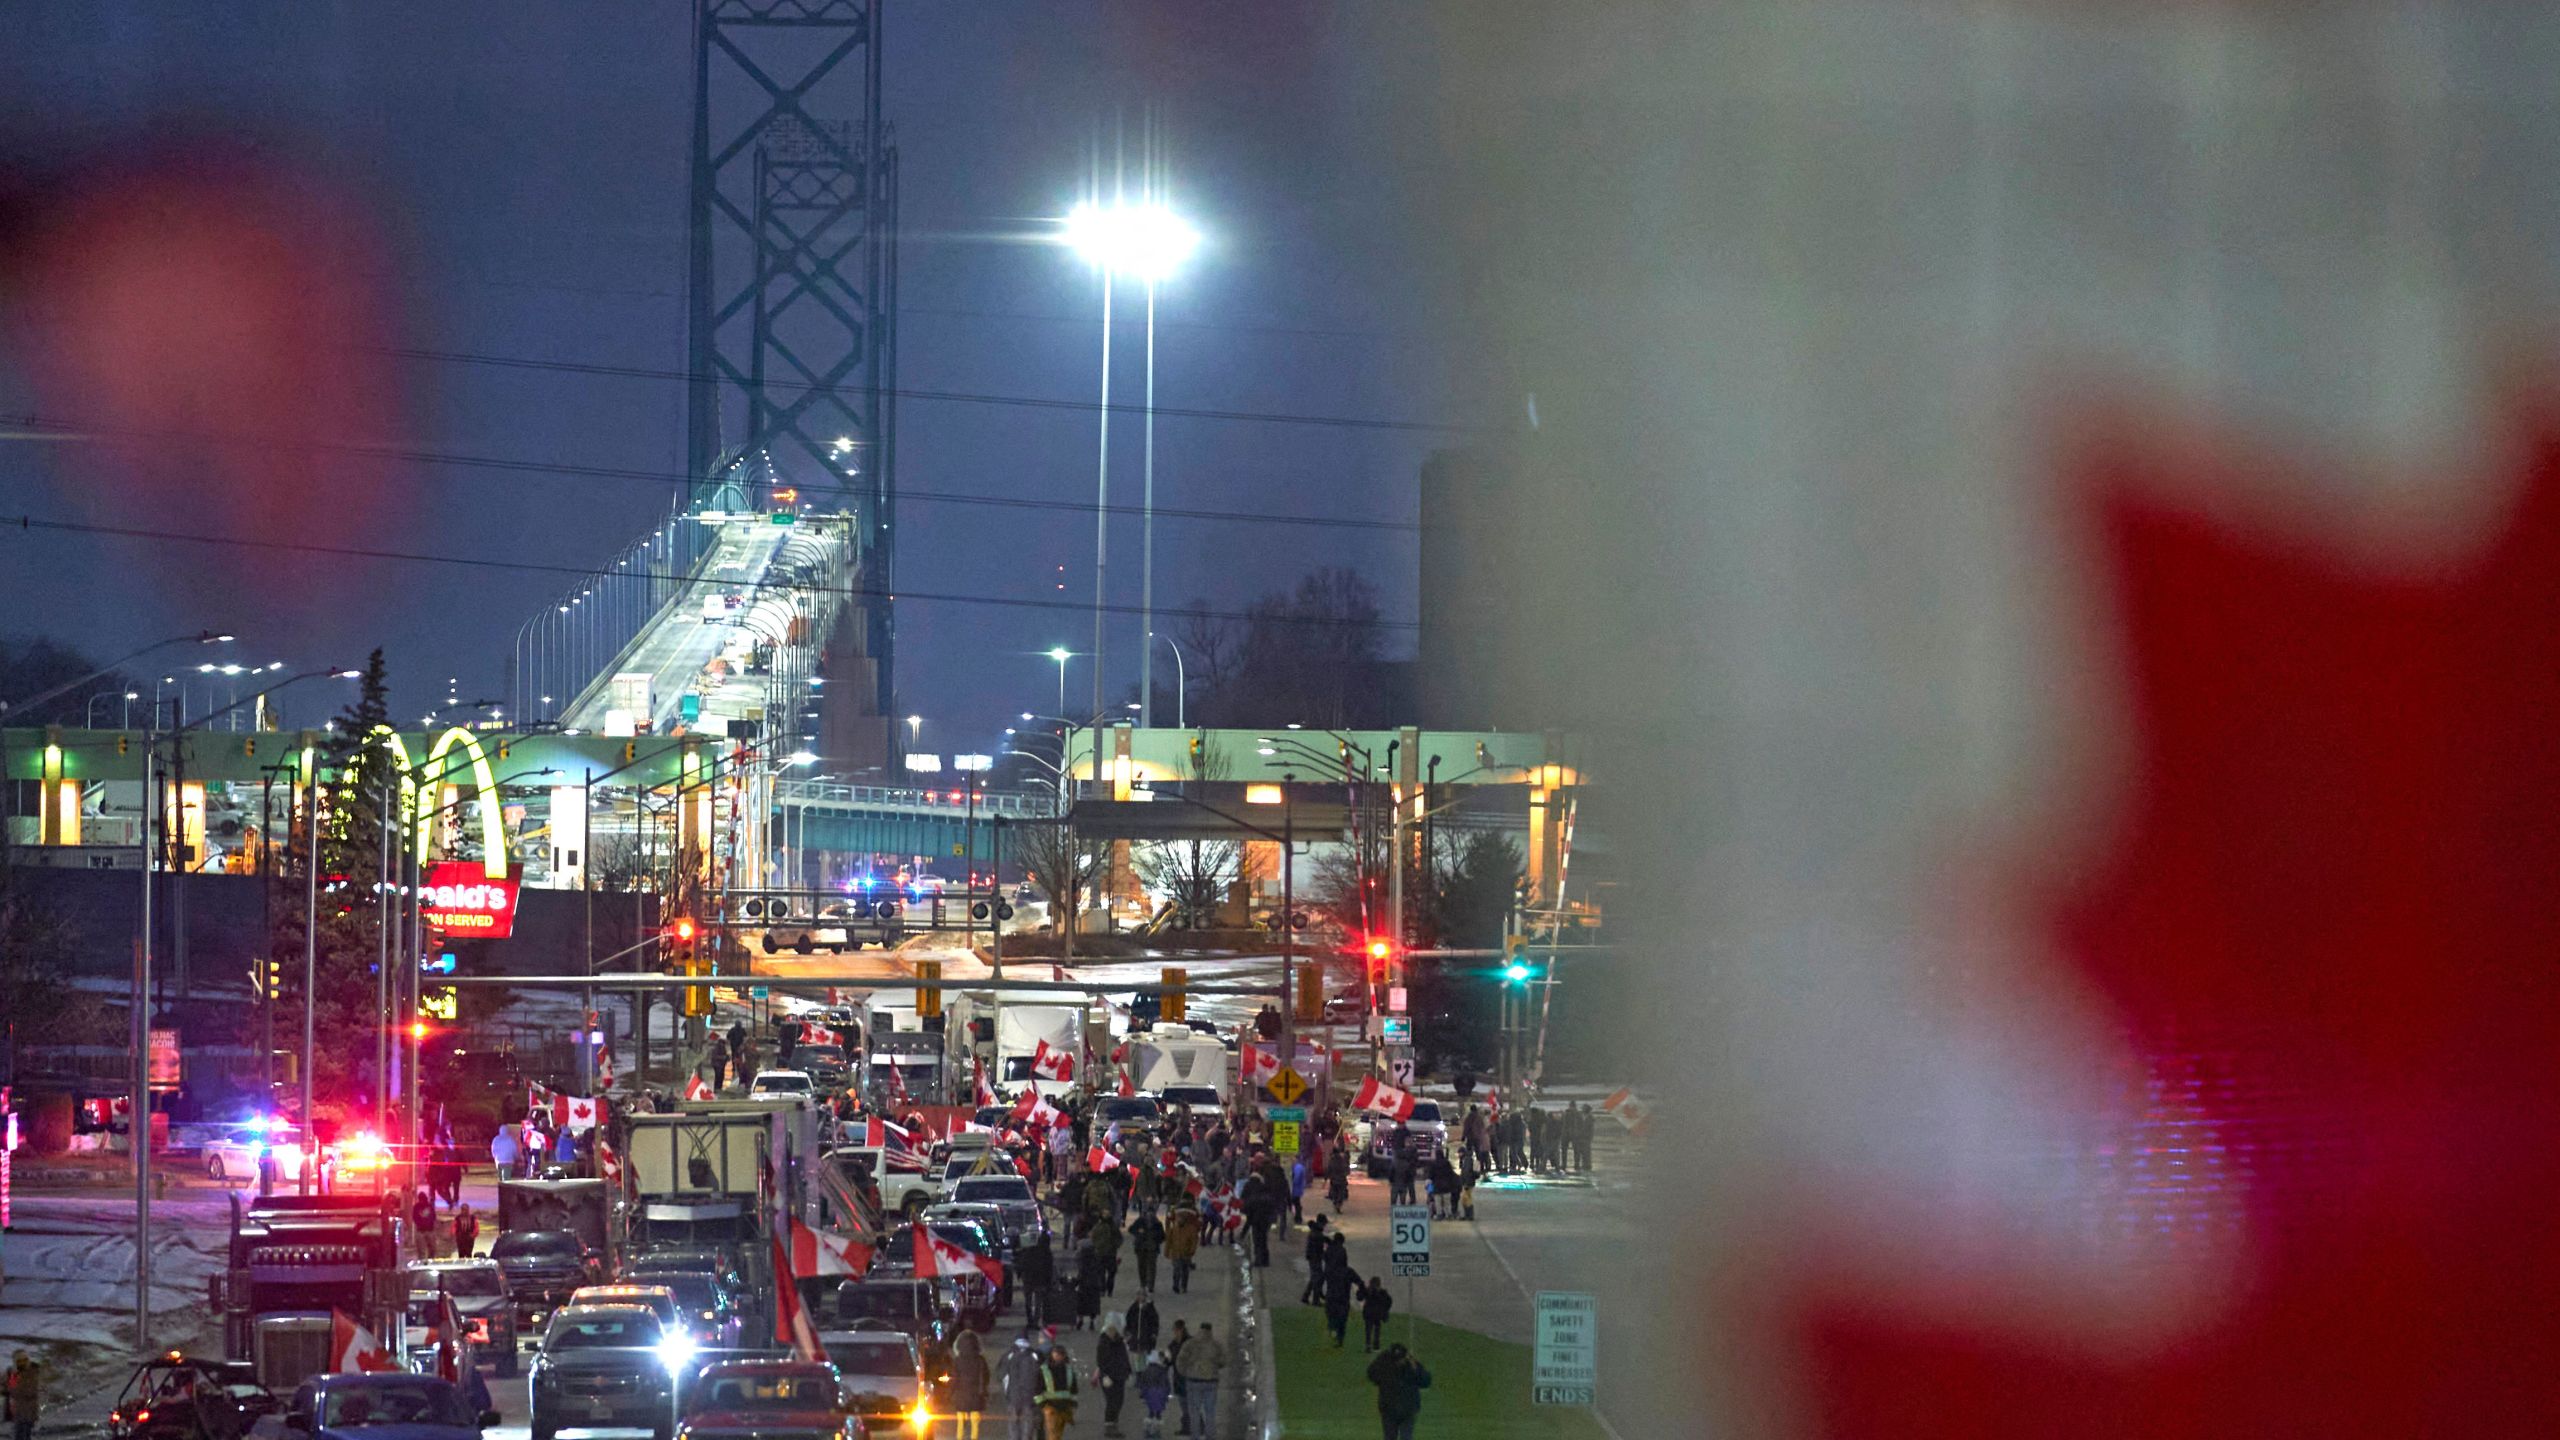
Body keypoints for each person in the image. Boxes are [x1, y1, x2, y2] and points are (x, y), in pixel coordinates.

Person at [1365, 1342, 1433, 1440]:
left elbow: (1426, 1381)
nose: (1399, 1361)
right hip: (1394, 1409)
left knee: (1402, 1437)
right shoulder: (1388, 1364)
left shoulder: (1389, 1364)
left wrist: (1416, 1368)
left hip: (1402, 1409)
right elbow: (1371, 1374)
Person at [1174, 1323, 1223, 1437]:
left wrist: (1185, 1373)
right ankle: (1210, 1436)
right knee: (1210, 1411)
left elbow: (1180, 1361)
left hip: (1193, 1381)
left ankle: (1195, 1436)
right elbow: (1223, 1361)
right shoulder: (1216, 1345)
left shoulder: (1190, 1344)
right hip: (1211, 1381)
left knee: (1194, 1412)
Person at [948, 1329, 991, 1440]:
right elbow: (986, 1376)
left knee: (961, 1423)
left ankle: (960, 1438)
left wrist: (950, 1393)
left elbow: (954, 1379)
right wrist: (984, 1391)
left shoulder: (957, 1360)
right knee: (975, 1423)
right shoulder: (980, 1359)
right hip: (976, 1395)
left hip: (961, 1395)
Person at [998, 1335, 1043, 1440]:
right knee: (1028, 1422)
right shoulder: (1035, 1355)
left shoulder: (1009, 1355)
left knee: (1013, 1422)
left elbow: (1000, 1375)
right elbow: (1041, 1376)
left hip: (1013, 1395)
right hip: (1030, 1396)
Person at [1035, 1342, 1082, 1440]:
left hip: (1062, 1407)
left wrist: (1072, 1404)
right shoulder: (1044, 1370)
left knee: (1057, 1435)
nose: (1058, 1357)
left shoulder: (1068, 1369)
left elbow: (1073, 1389)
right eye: (1057, 1354)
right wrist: (1043, 1405)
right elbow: (1037, 1389)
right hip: (1051, 1407)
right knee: (1054, 1435)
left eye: (1060, 1354)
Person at [1095, 1318, 1132, 1436]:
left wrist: (1128, 1371)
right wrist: (1104, 1375)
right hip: (1109, 1377)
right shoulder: (1103, 1344)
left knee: (1119, 1400)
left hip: (1120, 1376)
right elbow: (1101, 1361)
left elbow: (1124, 1357)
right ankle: (1110, 1426)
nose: (1111, 1332)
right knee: (1112, 1401)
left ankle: (1114, 1424)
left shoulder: (1119, 1342)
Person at [1163, 1203, 1201, 1295]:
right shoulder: (1174, 1229)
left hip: (1186, 1253)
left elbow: (1194, 1241)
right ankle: (1176, 1285)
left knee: (1184, 1270)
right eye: (1178, 1219)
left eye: (1181, 1219)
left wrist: (1191, 1251)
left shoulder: (1191, 1229)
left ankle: (1184, 1286)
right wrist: (1166, 1251)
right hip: (1176, 1253)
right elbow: (1169, 1241)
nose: (1179, 1220)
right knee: (1176, 1269)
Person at [1136, 1348, 1173, 1439]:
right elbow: (1165, 1383)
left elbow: (1141, 1383)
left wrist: (1142, 1394)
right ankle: (1156, 1430)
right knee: (1158, 1411)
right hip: (1159, 1394)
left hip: (1149, 1394)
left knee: (1151, 1410)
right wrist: (1168, 1394)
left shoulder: (1146, 1370)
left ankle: (1148, 1428)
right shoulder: (1162, 1371)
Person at [1126, 1206, 1165, 1293]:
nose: (1149, 1215)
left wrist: (1156, 1238)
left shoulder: (1157, 1224)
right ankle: (1143, 1284)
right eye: (1147, 1213)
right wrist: (1138, 1232)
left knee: (1151, 1267)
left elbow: (1162, 1236)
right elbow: (1131, 1229)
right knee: (1142, 1267)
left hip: (1152, 1248)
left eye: (1151, 1213)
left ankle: (1150, 1285)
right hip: (1141, 1247)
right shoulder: (1140, 1221)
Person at [1322, 1258, 1358, 1348]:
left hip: (1332, 1299)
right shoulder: (1348, 1271)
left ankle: (1333, 1330)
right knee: (1342, 1321)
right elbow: (1358, 1281)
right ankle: (1339, 1339)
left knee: (1332, 1316)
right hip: (1343, 1300)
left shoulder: (1331, 1270)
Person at [5, 1350, 40, 1440]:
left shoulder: (35, 1369)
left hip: (31, 1407)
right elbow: (11, 1389)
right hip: (19, 1408)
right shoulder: (13, 1373)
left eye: (24, 1360)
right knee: (19, 1432)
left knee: (28, 1431)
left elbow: (42, 1383)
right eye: (19, 1361)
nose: (22, 1362)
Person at [1359, 1275, 1395, 1353]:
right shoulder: (1382, 1292)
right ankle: (1376, 1345)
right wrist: (1385, 1310)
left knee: (1368, 1330)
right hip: (1377, 1314)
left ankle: (1368, 1345)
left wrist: (1361, 1289)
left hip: (1369, 1314)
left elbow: (1360, 1297)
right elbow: (1389, 1301)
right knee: (1377, 1330)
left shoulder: (1368, 1290)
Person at [1300, 1215, 1330, 1305]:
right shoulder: (1317, 1234)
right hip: (1315, 1258)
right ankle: (1315, 1300)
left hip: (1313, 1257)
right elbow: (1318, 1248)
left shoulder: (1316, 1231)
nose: (1324, 1226)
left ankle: (1306, 1296)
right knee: (1317, 1278)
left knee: (1314, 1278)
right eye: (1324, 1224)